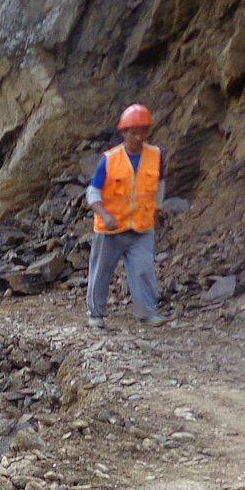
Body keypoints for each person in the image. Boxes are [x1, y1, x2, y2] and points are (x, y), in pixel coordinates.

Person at [86, 104, 169, 329]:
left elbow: (158, 186)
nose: (139, 137)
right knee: (102, 271)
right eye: (134, 132)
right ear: (124, 133)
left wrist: (157, 210)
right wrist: (104, 214)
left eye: (143, 131)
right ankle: (96, 314)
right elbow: (93, 192)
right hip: (111, 229)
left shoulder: (156, 156)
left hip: (142, 226)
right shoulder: (110, 159)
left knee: (143, 270)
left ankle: (147, 313)